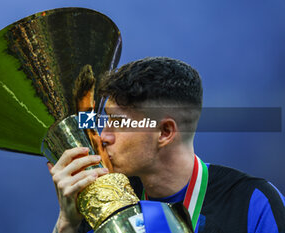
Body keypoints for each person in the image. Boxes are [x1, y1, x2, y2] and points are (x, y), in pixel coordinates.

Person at [47, 57, 285, 233]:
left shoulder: (251, 202)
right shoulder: (104, 201)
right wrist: (66, 225)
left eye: (117, 122)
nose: (103, 136)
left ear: (165, 132)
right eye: (105, 120)